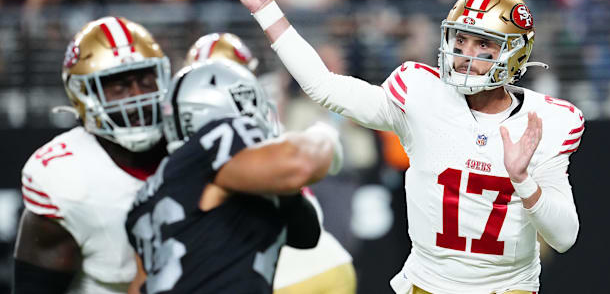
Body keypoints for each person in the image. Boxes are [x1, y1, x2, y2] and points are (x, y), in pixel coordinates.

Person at [225, 0, 586, 294]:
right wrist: (264, 7)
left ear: (515, 53)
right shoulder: (421, 93)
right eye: (460, 39)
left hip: (506, 288)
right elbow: (324, 86)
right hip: (425, 284)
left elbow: (565, 236)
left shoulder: (547, 121)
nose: (465, 55)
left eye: (482, 45)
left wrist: (523, 180)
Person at [124, 59, 342, 294]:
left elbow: (306, 234)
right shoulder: (219, 140)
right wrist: (325, 134)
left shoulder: (150, 193)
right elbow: (301, 164)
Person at [184, 32, 357, 294]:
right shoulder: (264, 109)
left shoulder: (210, 138)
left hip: (279, 274)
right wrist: (326, 137)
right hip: (324, 263)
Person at [14, 16, 172, 294]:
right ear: (83, 95)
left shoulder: (194, 144)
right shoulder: (64, 176)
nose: (138, 98)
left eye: (146, 80)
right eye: (119, 87)